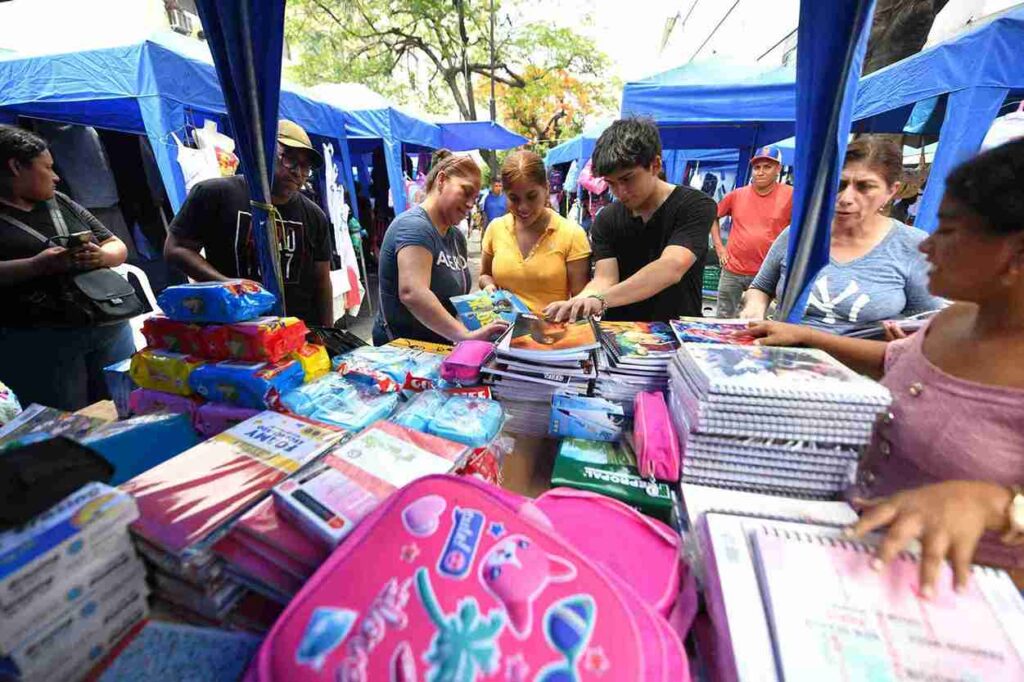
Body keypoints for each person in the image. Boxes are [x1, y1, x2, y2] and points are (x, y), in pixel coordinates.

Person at [747, 139, 1024, 594]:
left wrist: (994, 503)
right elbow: (895, 360)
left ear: (1015, 253)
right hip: (862, 556)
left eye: (950, 232)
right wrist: (808, 336)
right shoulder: (955, 320)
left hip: (963, 597)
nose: (929, 246)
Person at [740, 137, 943, 334]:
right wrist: (754, 310)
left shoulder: (912, 245)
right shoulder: (798, 234)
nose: (846, 198)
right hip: (785, 358)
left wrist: (899, 337)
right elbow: (761, 287)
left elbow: (926, 316)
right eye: (840, 185)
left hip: (861, 364)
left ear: (891, 191)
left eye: (865, 187)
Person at [0, 125, 134, 411]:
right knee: (64, 423)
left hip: (107, 323)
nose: (56, 176)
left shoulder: (60, 202)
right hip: (38, 341)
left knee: (125, 406)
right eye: (47, 168)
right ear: (15, 167)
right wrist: (36, 266)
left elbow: (115, 245)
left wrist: (100, 257)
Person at [545, 118, 716, 323]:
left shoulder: (694, 205)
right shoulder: (607, 219)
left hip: (677, 338)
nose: (620, 192)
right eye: (611, 183)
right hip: (619, 337)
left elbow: (671, 267)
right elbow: (605, 278)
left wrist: (599, 299)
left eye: (627, 179)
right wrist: (580, 301)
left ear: (655, 165)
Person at [164, 120, 334, 327]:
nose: (298, 172)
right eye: (290, 159)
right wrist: (227, 283)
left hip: (296, 331)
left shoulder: (314, 215)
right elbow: (175, 248)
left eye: (306, 167)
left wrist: (327, 334)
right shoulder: (215, 194)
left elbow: (322, 281)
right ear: (263, 153)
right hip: (235, 330)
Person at [373, 150, 507, 345]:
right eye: (466, 192)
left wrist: (486, 304)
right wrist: (465, 335)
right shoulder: (415, 227)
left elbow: (449, 296)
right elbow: (412, 292)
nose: (470, 204)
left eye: (475, 198)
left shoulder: (456, 237)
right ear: (442, 180)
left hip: (437, 349)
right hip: (403, 355)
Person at [478, 151, 591, 313]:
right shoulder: (495, 228)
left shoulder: (572, 234)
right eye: (514, 198)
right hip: (502, 332)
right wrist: (489, 285)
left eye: (531, 197)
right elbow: (484, 275)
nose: (523, 207)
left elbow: (581, 301)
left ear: (546, 188)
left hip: (552, 334)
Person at [712, 145, 793, 317]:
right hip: (732, 270)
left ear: (778, 169)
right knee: (723, 317)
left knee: (756, 322)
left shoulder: (790, 195)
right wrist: (719, 248)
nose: (760, 172)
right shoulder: (737, 195)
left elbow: (800, 228)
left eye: (767, 167)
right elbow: (713, 216)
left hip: (766, 275)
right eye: (757, 167)